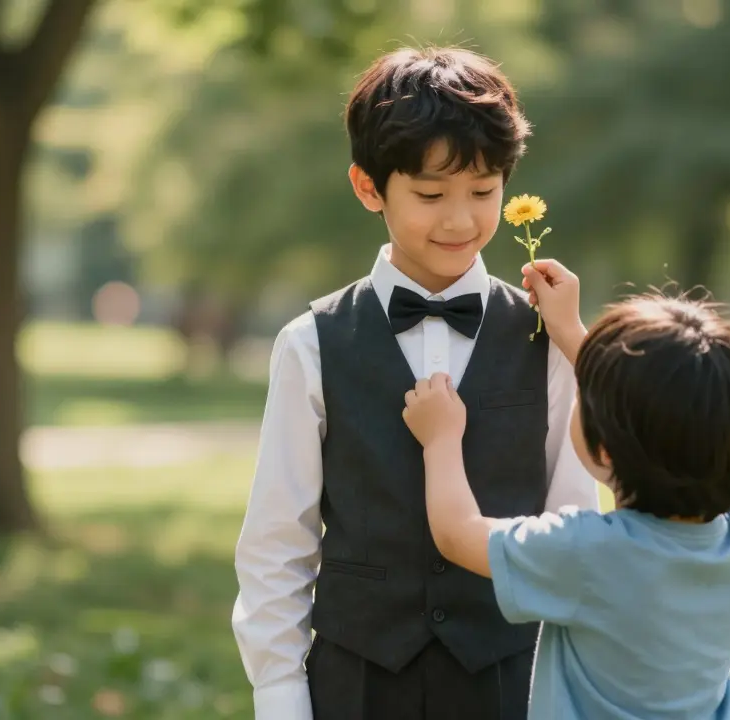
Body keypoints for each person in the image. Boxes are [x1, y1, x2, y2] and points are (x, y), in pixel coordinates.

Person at [230, 46, 602, 720]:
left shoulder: (546, 337)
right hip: (355, 686)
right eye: (431, 195)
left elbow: (575, 531)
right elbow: (277, 547)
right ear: (370, 187)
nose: (460, 220)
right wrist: (281, 701)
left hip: (509, 685)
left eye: (484, 192)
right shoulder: (310, 345)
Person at [402, 258, 730, 719]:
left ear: (606, 451)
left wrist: (440, 439)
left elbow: (458, 535)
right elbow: (663, 418)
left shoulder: (587, 552)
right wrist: (569, 329)